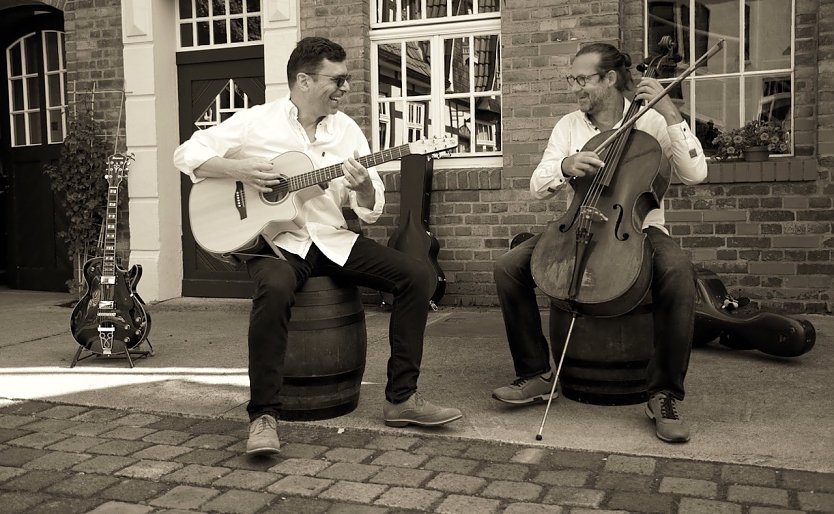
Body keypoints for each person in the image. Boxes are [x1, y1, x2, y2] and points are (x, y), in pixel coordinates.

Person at [173, 37, 462, 455]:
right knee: (273, 288)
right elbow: (187, 154)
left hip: (332, 240)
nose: (346, 88)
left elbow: (370, 210)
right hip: (279, 243)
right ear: (304, 81)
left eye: (347, 80)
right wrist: (241, 169)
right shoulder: (256, 121)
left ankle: (402, 398)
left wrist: (363, 188)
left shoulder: (346, 130)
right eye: (338, 79)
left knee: (418, 274)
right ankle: (264, 417)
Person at [491, 43, 707, 443]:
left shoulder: (653, 121)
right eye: (572, 79)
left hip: (638, 226)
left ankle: (663, 394)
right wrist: (563, 166)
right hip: (578, 222)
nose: (576, 88)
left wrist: (672, 114)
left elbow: (695, 173)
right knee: (508, 268)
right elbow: (538, 186)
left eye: (582, 79)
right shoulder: (569, 126)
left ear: (609, 79)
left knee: (679, 272)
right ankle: (537, 373)